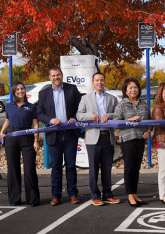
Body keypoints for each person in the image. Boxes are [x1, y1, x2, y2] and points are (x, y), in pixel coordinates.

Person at [37, 66, 81, 206]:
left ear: (62, 75)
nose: (56, 77)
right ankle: (56, 196)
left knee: (70, 166)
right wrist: (50, 120)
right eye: (53, 75)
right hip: (53, 135)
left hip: (70, 134)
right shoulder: (43, 94)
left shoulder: (72, 89)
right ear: (50, 78)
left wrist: (75, 118)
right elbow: (39, 114)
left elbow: (81, 108)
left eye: (58, 75)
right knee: (56, 166)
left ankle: (73, 194)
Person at [76, 72, 120, 206]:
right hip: (92, 138)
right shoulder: (85, 98)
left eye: (101, 80)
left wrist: (108, 115)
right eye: (97, 80)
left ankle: (108, 194)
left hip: (108, 137)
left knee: (107, 168)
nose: (99, 82)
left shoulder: (112, 99)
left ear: (104, 82)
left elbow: (118, 115)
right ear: (92, 82)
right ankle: (95, 195)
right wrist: (91, 115)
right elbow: (79, 115)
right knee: (93, 169)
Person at [0, 82, 40, 207]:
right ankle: (15, 198)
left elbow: (36, 125)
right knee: (13, 169)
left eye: (22, 89)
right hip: (12, 138)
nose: (20, 91)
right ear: (14, 91)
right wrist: (2, 132)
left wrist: (36, 140)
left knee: (29, 169)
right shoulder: (9, 106)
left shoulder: (31, 107)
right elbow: (8, 120)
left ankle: (32, 199)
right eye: (17, 89)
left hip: (27, 138)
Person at [114, 78, 152, 207]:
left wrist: (148, 131)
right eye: (130, 87)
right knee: (129, 167)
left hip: (140, 139)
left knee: (136, 168)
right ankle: (130, 195)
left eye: (135, 87)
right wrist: (130, 119)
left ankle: (135, 193)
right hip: (128, 139)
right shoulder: (122, 104)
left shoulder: (143, 104)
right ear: (125, 90)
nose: (133, 89)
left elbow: (150, 120)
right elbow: (116, 122)